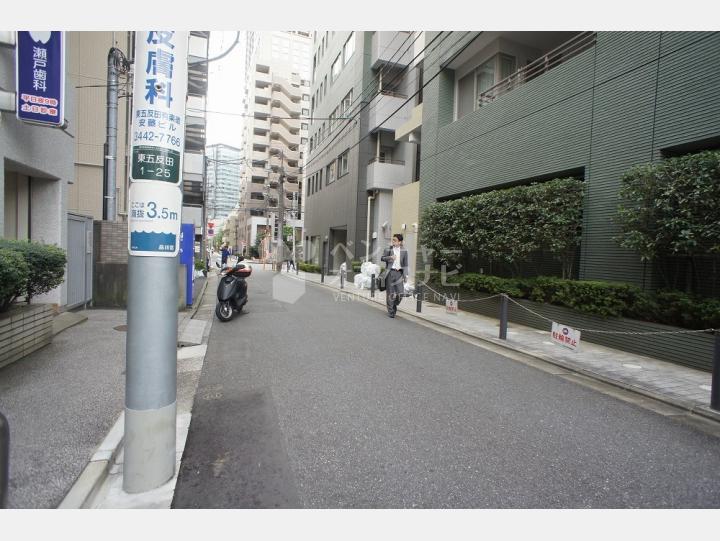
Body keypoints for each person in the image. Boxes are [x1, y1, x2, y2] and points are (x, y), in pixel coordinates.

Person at [380, 233, 408, 318]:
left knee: (401, 293)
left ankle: (394, 305)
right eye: (393, 240)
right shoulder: (388, 249)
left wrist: (405, 275)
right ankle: (391, 311)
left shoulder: (404, 251)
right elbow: (382, 258)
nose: (393, 241)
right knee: (390, 293)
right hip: (390, 273)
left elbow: (405, 264)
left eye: (395, 240)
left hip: (399, 273)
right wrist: (390, 257)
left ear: (400, 242)